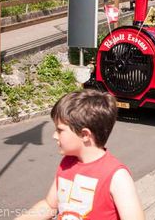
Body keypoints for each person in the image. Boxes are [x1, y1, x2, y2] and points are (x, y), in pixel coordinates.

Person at [16, 90, 144, 220]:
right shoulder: (66, 163)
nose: (54, 136)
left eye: (60, 130)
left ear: (85, 135)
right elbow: (50, 206)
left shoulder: (116, 176)